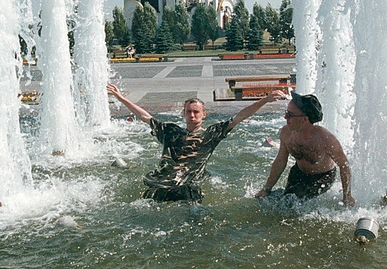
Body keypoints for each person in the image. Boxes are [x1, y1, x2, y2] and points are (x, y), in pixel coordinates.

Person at [107, 83, 286, 202]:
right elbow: (145, 116)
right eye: (188, 112)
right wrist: (122, 98)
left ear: (203, 114)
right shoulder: (170, 131)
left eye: (196, 112)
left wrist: (265, 100)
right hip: (161, 182)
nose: (192, 115)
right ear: (184, 113)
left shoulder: (211, 134)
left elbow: (240, 116)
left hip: (188, 186)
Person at [255, 92, 356, 207]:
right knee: (284, 201)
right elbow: (280, 161)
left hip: (323, 177)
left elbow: (344, 165)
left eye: (290, 115)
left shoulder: (325, 139)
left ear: (304, 119)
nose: (285, 117)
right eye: (286, 113)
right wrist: (266, 189)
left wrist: (347, 196)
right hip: (298, 172)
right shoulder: (286, 133)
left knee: (292, 204)